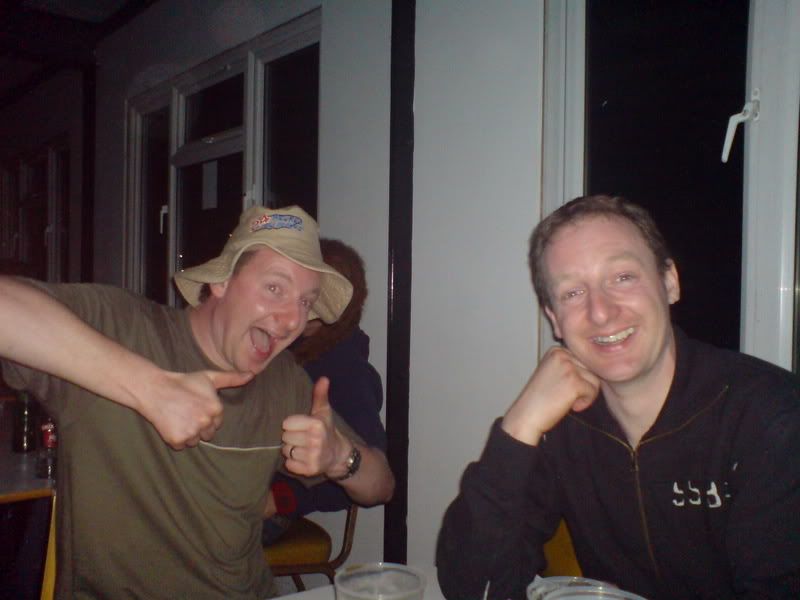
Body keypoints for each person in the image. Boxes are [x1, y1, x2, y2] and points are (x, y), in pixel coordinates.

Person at [0, 205, 395, 599]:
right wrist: (148, 386)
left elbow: (382, 486)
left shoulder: (285, 382)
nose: (293, 319)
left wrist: (339, 457)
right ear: (221, 280)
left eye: (306, 302)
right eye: (275, 288)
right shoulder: (124, 329)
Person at [436, 195, 800, 599]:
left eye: (623, 277)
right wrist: (519, 427)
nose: (601, 312)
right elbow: (475, 588)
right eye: (573, 292)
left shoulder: (770, 417)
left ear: (669, 282)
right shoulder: (561, 426)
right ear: (554, 320)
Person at [262, 239, 387, 544]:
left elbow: (368, 475)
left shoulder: (346, 369)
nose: (303, 308)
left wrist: (280, 497)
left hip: (269, 506)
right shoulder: (278, 347)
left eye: (314, 296)